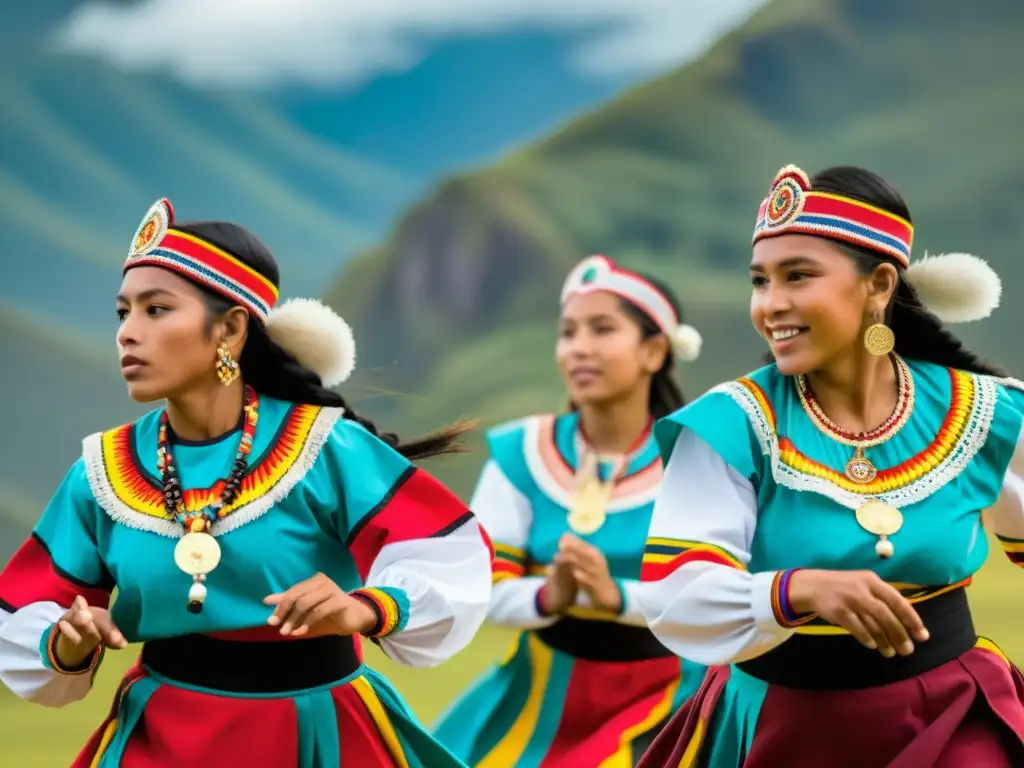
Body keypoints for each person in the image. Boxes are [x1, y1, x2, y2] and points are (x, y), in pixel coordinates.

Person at [0, 198, 494, 768]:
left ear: (230, 329)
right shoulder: (102, 472)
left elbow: (446, 552)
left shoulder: (325, 448)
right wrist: (67, 640)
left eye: (156, 310)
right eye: (122, 313)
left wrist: (364, 608)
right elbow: (28, 605)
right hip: (162, 740)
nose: (128, 334)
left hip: (320, 735)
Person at [636, 165, 1024, 768]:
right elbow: (677, 597)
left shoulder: (981, 413)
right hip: (785, 729)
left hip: (952, 716)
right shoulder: (731, 425)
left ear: (879, 284)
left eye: (799, 276)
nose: (771, 305)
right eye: (760, 282)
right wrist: (800, 590)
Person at [433, 255, 707, 766]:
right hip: (536, 692)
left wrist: (616, 596)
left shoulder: (696, 460)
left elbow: (722, 594)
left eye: (602, 329)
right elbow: (480, 590)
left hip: (669, 700)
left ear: (654, 351)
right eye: (568, 333)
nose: (579, 347)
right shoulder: (523, 454)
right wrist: (548, 595)